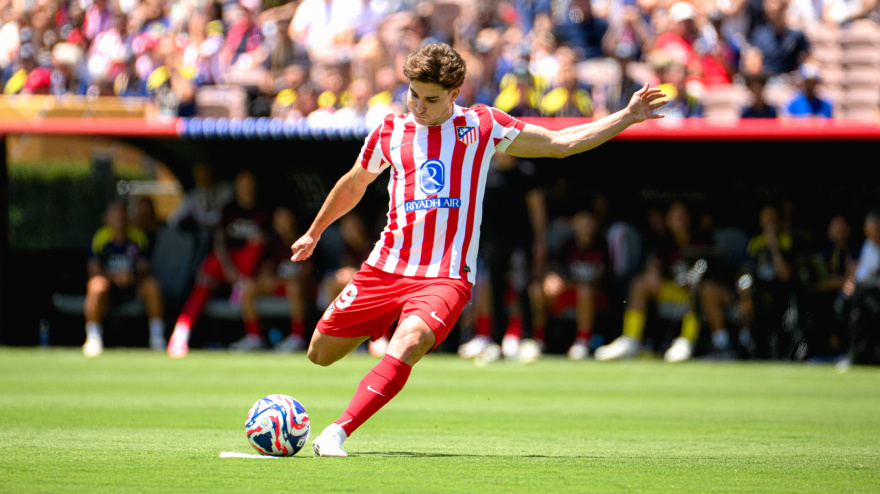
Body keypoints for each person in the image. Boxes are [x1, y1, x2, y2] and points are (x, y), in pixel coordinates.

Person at [288, 42, 667, 457]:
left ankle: (337, 432)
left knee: (410, 343)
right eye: (413, 93)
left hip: (445, 276)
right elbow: (354, 183)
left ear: (455, 92)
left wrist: (626, 117)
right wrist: (315, 231)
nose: (418, 105)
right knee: (319, 354)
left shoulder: (482, 125)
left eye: (431, 98)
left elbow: (561, 142)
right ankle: (383, 328)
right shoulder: (389, 130)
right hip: (385, 268)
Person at [167, 169, 271, 358]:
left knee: (256, 243)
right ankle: (181, 333)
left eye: (250, 183)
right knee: (205, 278)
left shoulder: (263, 210)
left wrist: (244, 276)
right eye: (243, 183)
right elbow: (220, 243)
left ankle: (240, 289)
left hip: (251, 270)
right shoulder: (228, 209)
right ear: (236, 186)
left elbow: (266, 246)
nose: (247, 187)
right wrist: (229, 269)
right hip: (229, 262)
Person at [82, 201, 166, 357]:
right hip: (110, 290)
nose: (119, 217)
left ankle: (157, 338)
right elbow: (94, 271)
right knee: (95, 286)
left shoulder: (138, 237)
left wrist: (131, 275)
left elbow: (144, 267)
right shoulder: (99, 239)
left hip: (134, 287)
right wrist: (113, 277)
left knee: (152, 286)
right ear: (106, 218)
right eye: (114, 214)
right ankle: (93, 338)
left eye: (122, 213)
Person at [530, 209, 610, 360]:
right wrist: (551, 278)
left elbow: (606, 279)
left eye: (589, 221)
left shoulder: (602, 245)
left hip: (595, 298)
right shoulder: (566, 246)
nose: (586, 225)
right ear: (574, 224)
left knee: (585, 289)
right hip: (569, 294)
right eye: (582, 220)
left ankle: (582, 341)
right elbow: (556, 271)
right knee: (536, 290)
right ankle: (538, 340)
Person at [232, 206, 313, 353]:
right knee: (248, 288)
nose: (283, 224)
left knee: (293, 286)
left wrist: (282, 280)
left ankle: (297, 337)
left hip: (302, 291)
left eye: (286, 219)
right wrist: (268, 277)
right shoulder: (273, 244)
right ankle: (254, 337)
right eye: (279, 220)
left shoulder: (306, 240)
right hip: (279, 287)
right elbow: (266, 270)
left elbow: (307, 274)